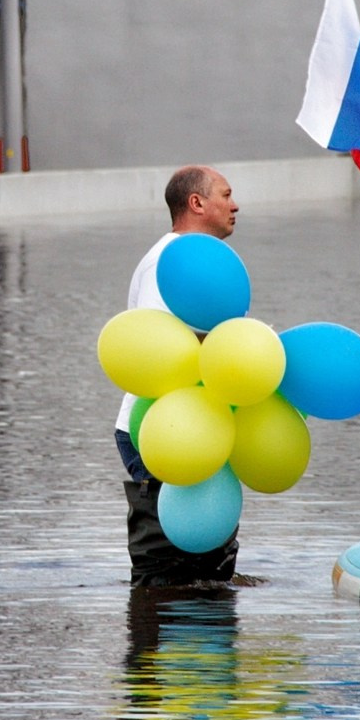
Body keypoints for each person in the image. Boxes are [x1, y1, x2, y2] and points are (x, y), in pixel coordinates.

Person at [114, 166, 242, 586]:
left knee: (209, 565)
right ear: (197, 203)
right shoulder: (170, 263)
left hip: (199, 422)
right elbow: (159, 347)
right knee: (167, 566)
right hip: (160, 424)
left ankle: (202, 629)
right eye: (226, 194)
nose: (235, 204)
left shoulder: (205, 265)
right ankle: (153, 636)